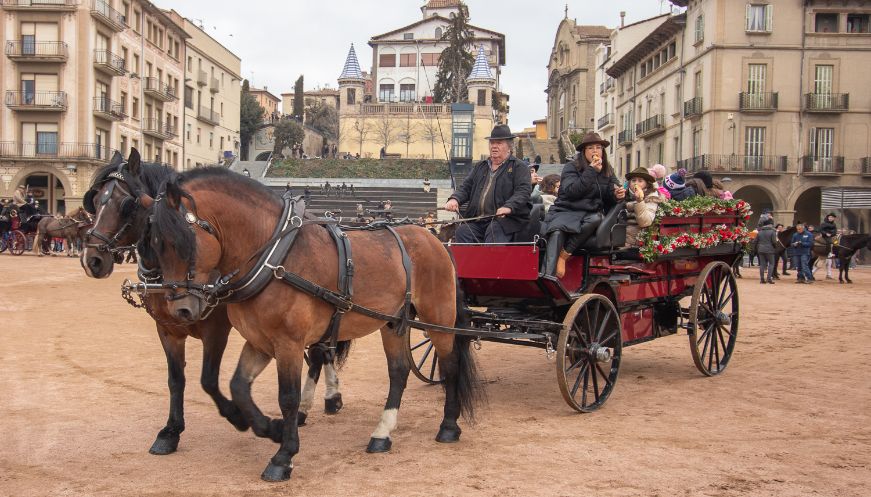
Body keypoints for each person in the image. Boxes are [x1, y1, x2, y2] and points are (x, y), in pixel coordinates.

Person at [543, 132, 625, 278]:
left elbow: (609, 195)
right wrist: (591, 171)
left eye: (598, 147)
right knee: (557, 232)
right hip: (567, 210)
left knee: (597, 218)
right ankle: (547, 277)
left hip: (589, 213)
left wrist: (616, 194)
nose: (595, 151)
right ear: (583, 152)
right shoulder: (571, 167)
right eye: (590, 148)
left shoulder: (608, 170)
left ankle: (564, 255)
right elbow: (571, 192)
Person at [444, 124, 532, 243]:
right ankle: (468, 262)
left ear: (509, 146)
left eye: (499, 143)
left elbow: (523, 191)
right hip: (478, 221)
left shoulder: (519, 167)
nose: (494, 146)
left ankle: (492, 261)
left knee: (494, 230)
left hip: (505, 222)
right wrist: (455, 199)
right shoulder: (481, 166)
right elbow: (466, 187)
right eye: (492, 143)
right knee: (463, 231)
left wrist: (508, 206)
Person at [623, 167, 663, 248]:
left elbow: (645, 222)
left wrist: (639, 201)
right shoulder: (624, 195)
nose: (636, 183)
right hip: (620, 238)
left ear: (647, 184)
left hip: (636, 244)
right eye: (633, 180)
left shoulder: (651, 197)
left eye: (640, 181)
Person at [756, 218, 778, 284]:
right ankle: (769, 278)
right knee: (771, 264)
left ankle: (762, 279)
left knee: (762, 265)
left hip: (761, 249)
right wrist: (775, 247)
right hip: (769, 249)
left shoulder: (759, 231)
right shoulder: (772, 231)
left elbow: (755, 241)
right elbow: (774, 242)